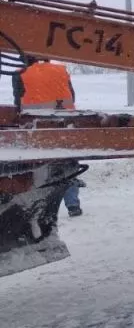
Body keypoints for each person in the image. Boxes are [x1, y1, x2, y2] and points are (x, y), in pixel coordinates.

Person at [13, 57, 84, 217]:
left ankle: (41, 208)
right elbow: (72, 97)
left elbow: (18, 103)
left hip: (36, 127)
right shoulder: (61, 71)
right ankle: (73, 205)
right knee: (68, 164)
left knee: (40, 168)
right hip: (64, 124)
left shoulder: (20, 74)